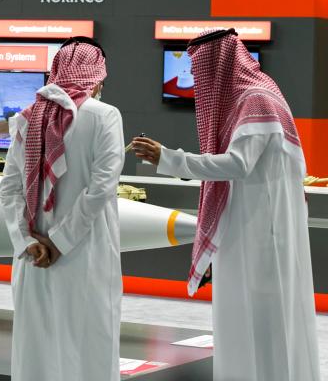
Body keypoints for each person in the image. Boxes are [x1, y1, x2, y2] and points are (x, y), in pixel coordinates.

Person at [133, 28, 320, 381]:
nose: (197, 81)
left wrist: (170, 159)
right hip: (253, 230)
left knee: (262, 322)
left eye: (200, 69)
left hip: (261, 236)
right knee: (248, 320)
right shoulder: (258, 95)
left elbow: (237, 164)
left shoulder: (255, 99)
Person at [0, 37, 125, 381]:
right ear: (97, 77)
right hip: (85, 254)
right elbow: (102, 187)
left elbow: (9, 188)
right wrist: (61, 241)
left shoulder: (28, 116)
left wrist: (27, 241)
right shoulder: (104, 115)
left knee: (36, 351)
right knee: (88, 349)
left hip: (34, 257)